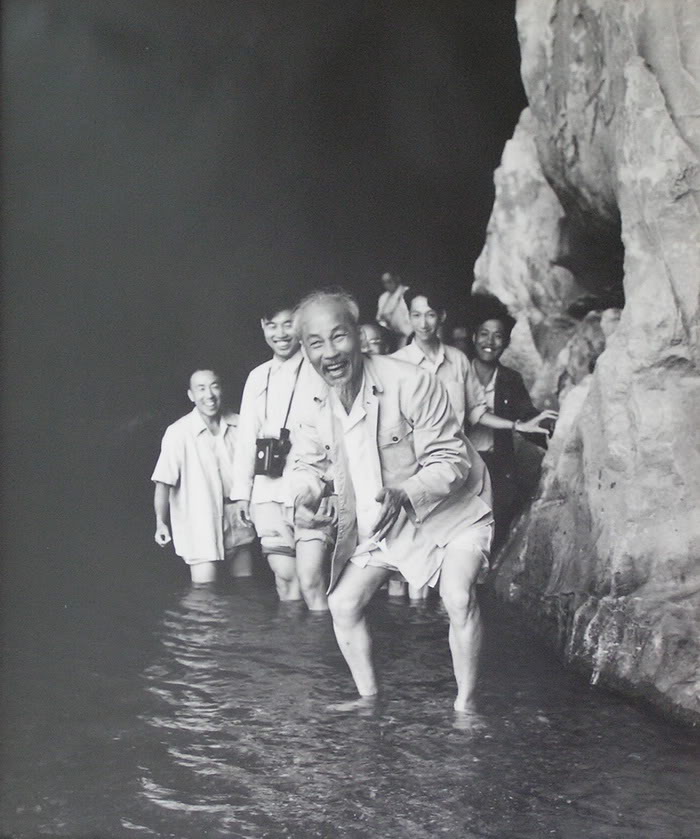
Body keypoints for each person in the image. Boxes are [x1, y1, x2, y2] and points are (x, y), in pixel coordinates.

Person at [291, 289, 493, 714]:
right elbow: (307, 465)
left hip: (453, 511)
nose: (330, 353)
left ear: (358, 335)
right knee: (342, 603)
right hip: (385, 520)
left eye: (339, 336)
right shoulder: (310, 399)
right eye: (316, 342)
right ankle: (369, 699)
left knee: (458, 597)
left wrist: (406, 493)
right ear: (305, 349)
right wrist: (305, 497)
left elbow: (451, 460)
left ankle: (466, 707)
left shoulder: (411, 381)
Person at [230, 304, 331, 610]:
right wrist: (241, 494)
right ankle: (293, 640)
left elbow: (340, 435)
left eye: (288, 324)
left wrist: (334, 487)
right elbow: (246, 438)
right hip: (268, 488)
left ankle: (320, 640)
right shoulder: (257, 377)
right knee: (285, 578)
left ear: (301, 326)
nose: (281, 334)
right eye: (272, 325)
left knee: (312, 579)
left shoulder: (321, 369)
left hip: (312, 485)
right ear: (263, 326)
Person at [466, 295, 558, 547]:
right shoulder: (458, 373)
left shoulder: (510, 379)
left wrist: (555, 434)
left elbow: (526, 417)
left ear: (506, 342)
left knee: (495, 528)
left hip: (497, 465)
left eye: (498, 336)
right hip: (462, 463)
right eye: (484, 334)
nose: (490, 342)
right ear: (474, 337)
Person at [152, 369, 256, 584]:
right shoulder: (178, 432)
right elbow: (163, 482)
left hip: (238, 518)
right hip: (200, 523)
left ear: (222, 390)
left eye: (214, 386)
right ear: (191, 395)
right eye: (201, 389)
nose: (209, 395)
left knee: (245, 588)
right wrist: (160, 523)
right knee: (204, 593)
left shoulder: (241, 425)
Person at [375, 272, 412, 348]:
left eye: (389, 281)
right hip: (391, 336)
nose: (387, 285)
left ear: (396, 279)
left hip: (408, 335)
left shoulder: (407, 293)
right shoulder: (383, 297)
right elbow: (379, 318)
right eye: (384, 283)